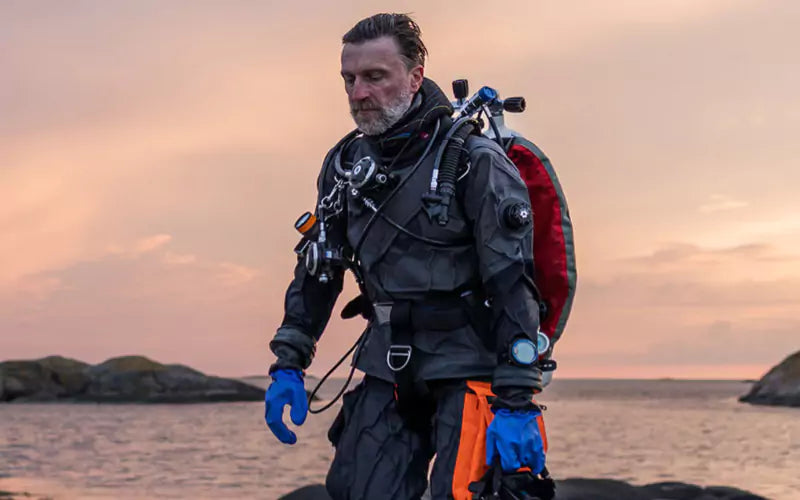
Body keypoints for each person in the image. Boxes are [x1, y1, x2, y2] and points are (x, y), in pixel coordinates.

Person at [264, 13, 548, 500]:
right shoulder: (345, 167)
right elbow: (319, 270)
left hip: (470, 365)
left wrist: (518, 399)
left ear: (415, 78)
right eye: (349, 80)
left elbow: (512, 282)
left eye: (375, 77)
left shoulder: (474, 161)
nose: (358, 94)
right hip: (386, 362)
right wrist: (288, 361)